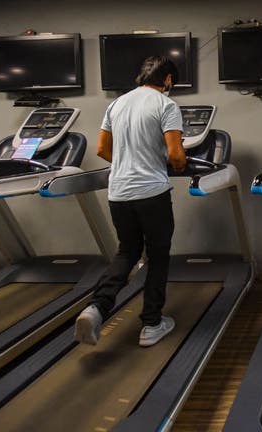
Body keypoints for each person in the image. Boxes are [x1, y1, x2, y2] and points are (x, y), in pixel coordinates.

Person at [74, 56, 186, 347]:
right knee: (158, 256)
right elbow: (175, 156)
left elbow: (102, 149)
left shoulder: (117, 103)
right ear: (168, 80)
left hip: (119, 193)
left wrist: (129, 163)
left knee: (127, 252)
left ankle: (96, 307)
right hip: (151, 193)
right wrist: (170, 165)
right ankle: (151, 324)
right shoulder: (167, 105)